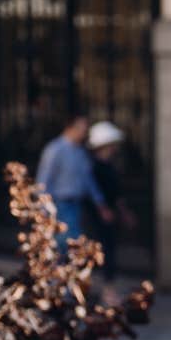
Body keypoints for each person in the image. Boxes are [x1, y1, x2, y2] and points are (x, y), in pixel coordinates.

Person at [35, 115, 112, 251]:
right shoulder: (55, 149)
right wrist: (43, 209)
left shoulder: (80, 152)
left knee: (74, 244)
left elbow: (88, 180)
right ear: (70, 128)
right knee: (62, 244)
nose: (84, 133)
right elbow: (43, 180)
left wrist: (100, 203)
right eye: (82, 129)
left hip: (77, 204)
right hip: (59, 204)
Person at [87, 120, 130, 282]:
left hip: (108, 212)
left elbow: (116, 192)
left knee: (108, 249)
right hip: (97, 214)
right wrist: (102, 208)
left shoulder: (109, 165)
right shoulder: (93, 166)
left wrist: (122, 211)